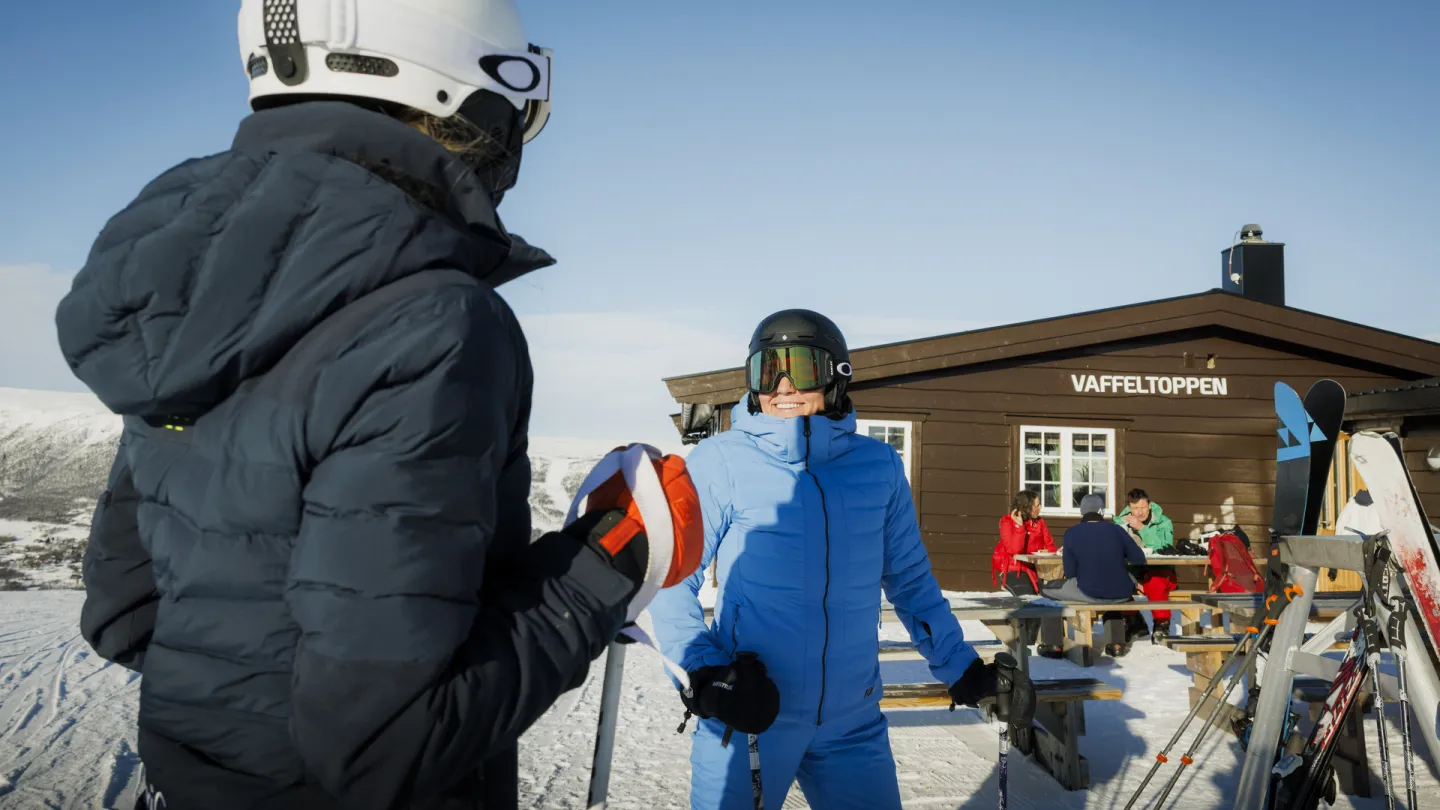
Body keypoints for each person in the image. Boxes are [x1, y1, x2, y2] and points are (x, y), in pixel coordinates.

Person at [55, 3, 698, 808]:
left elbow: (127, 606)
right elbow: (387, 746)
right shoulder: (432, 322)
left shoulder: (190, 291)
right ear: (462, 88)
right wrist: (610, 567)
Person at [650, 310, 1035, 810]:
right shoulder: (721, 462)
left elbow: (911, 582)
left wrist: (964, 672)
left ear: (836, 374)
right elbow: (671, 580)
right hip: (751, 717)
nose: (782, 386)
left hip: (852, 723)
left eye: (801, 368)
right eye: (767, 371)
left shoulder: (878, 467)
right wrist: (705, 678)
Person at [1042, 494, 1145, 656]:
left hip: (1089, 591)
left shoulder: (1072, 533)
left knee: (1047, 591)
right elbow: (1139, 558)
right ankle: (1116, 644)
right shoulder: (1117, 530)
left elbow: (1070, 573)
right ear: (1101, 512)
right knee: (1111, 591)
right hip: (1121, 592)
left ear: (1082, 512)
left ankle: (1053, 644)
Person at [1114, 488, 1177, 644]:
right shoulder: (1121, 524)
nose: (1140, 512)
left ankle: (1161, 625)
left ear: (1149, 505)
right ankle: (1133, 621)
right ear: (1129, 508)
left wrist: (1143, 529)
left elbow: (1165, 548)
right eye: (1135, 508)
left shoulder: (1163, 522)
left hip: (1159, 569)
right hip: (1132, 570)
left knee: (1155, 582)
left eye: (1143, 507)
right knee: (1115, 581)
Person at [990, 490, 1058, 595]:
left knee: (1052, 595)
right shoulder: (1007, 522)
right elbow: (1014, 551)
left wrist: (1053, 552)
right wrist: (1019, 527)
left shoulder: (1040, 522)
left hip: (1036, 569)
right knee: (1030, 599)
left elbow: (1050, 546)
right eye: (1037, 505)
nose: (1040, 508)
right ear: (1027, 507)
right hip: (1014, 569)